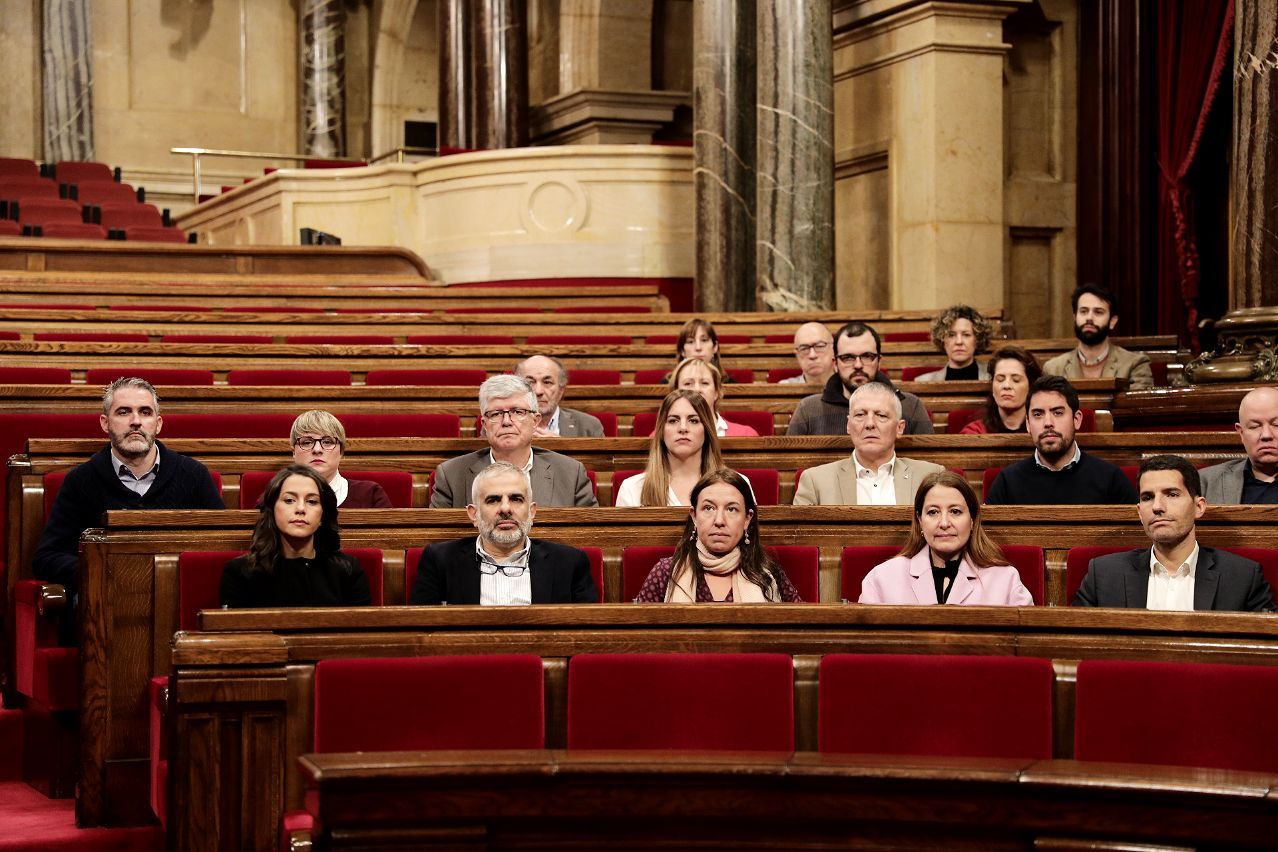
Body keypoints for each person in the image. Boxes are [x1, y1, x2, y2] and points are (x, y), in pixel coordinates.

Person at [33, 377, 224, 596]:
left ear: (158, 424)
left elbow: (219, 549)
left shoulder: (194, 475)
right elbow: (47, 557)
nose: (136, 421)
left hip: (176, 597)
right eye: (123, 412)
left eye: (145, 412)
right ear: (105, 423)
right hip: (106, 601)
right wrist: (103, 571)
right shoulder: (80, 481)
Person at [1073, 455, 1275, 611]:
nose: (1157, 507)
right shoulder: (1103, 574)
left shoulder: (1243, 577)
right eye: (1147, 497)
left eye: (1171, 494)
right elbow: (1075, 647)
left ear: (1199, 507)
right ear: (1139, 512)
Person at [411, 462, 597, 605]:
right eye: (493, 500)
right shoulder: (439, 561)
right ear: (473, 514)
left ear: (531, 511)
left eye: (516, 499)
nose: (505, 508)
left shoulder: (569, 562)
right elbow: (423, 634)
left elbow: (587, 636)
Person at [859, 471, 1034, 606]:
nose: (944, 523)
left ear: (972, 520)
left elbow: (1026, 645)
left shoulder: (1005, 579)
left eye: (955, 511)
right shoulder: (882, 578)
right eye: (933, 512)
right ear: (920, 521)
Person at [634, 468, 802, 602]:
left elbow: (801, 632)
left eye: (731, 509)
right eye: (708, 508)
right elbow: (638, 637)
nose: (719, 521)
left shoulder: (766, 573)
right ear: (694, 516)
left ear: (747, 519)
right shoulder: (665, 572)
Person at [430, 374, 598, 508]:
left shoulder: (570, 473)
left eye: (517, 412)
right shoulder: (451, 475)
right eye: (495, 414)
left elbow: (591, 538)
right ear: (484, 425)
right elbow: (438, 544)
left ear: (535, 421)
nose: (507, 421)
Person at [220, 464, 371, 608]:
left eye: (311, 501)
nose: (300, 508)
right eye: (289, 500)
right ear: (272, 510)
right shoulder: (240, 573)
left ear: (322, 516)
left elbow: (359, 633)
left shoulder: (348, 571)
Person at [984, 375, 1137, 505]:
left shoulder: (1111, 479)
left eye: (1057, 413)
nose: (1048, 422)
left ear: (1076, 420)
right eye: (1038, 414)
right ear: (1028, 424)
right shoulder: (1007, 482)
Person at [793, 382, 943, 505]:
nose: (869, 424)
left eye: (881, 415)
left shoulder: (931, 476)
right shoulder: (815, 481)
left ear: (900, 428)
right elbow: (799, 540)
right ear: (848, 426)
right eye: (860, 415)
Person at [787, 321, 934, 436]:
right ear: (835, 364)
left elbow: (929, 466)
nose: (858, 365)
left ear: (879, 361)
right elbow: (788, 468)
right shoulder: (808, 410)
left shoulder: (910, 406)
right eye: (848, 357)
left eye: (867, 356)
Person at [616, 390, 724, 507]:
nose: (683, 428)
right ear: (662, 431)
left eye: (693, 420)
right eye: (673, 420)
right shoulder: (632, 489)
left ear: (707, 430)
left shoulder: (736, 485)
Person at [1042, 283, 1154, 389]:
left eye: (1098, 312)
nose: (1089, 318)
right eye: (1084, 311)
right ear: (1075, 317)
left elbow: (1137, 408)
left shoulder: (1134, 365)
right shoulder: (1053, 368)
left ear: (1112, 321)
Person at [289, 410, 392, 508]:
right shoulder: (276, 496)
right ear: (294, 452)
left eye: (327, 442)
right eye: (307, 442)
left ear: (341, 451)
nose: (317, 449)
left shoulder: (370, 495)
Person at [1199, 386, 1278, 504]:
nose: (1266, 435)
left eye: (1276, 424)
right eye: (1255, 426)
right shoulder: (1206, 482)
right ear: (1241, 432)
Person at [513, 354, 605, 437]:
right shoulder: (503, 424)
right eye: (530, 382)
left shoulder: (588, 426)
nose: (538, 391)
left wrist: (562, 446)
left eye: (547, 382)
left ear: (561, 390)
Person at [960, 346, 1042, 434]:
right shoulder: (975, 431)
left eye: (1016, 380)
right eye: (1000, 379)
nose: (1006, 386)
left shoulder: (1043, 430)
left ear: (1030, 386)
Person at [670, 357, 759, 437]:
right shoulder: (662, 435)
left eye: (704, 383)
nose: (697, 389)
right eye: (688, 383)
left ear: (716, 392)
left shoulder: (746, 435)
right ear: (675, 393)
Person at [915, 305, 993, 382]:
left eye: (966, 335)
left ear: (978, 339)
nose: (959, 342)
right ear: (942, 340)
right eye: (951, 335)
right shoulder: (923, 381)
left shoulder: (993, 377)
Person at [780, 322, 836, 386]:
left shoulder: (848, 387)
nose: (812, 355)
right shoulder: (784, 388)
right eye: (804, 349)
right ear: (797, 355)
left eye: (819, 346)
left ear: (833, 349)